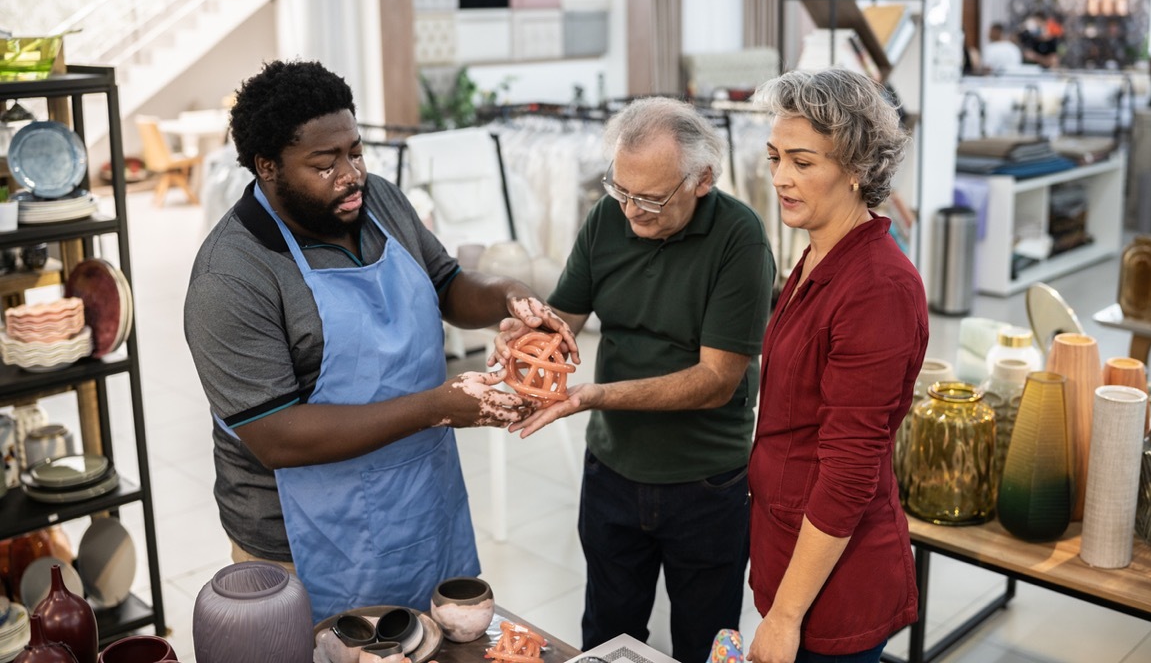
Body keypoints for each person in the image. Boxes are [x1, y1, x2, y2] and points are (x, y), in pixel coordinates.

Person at [183, 59, 577, 621]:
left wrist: (508, 296)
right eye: (325, 164)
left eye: (356, 152)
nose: (351, 175)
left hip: (417, 500)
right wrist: (439, 406)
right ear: (266, 166)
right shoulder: (232, 276)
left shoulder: (382, 203)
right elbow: (277, 437)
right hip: (302, 542)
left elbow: (447, 284)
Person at [496, 97, 775, 663]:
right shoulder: (608, 217)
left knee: (704, 641)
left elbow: (716, 380)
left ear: (703, 180)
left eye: (650, 197)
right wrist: (525, 338)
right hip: (612, 474)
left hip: (705, 483)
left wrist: (593, 397)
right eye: (621, 190)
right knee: (608, 632)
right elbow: (564, 320)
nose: (632, 211)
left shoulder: (739, 238)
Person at [745, 69, 929, 663]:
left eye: (802, 162)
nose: (780, 178)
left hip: (834, 582)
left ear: (856, 166)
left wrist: (787, 615)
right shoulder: (820, 252)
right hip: (790, 548)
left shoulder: (877, 288)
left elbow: (850, 467)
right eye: (775, 158)